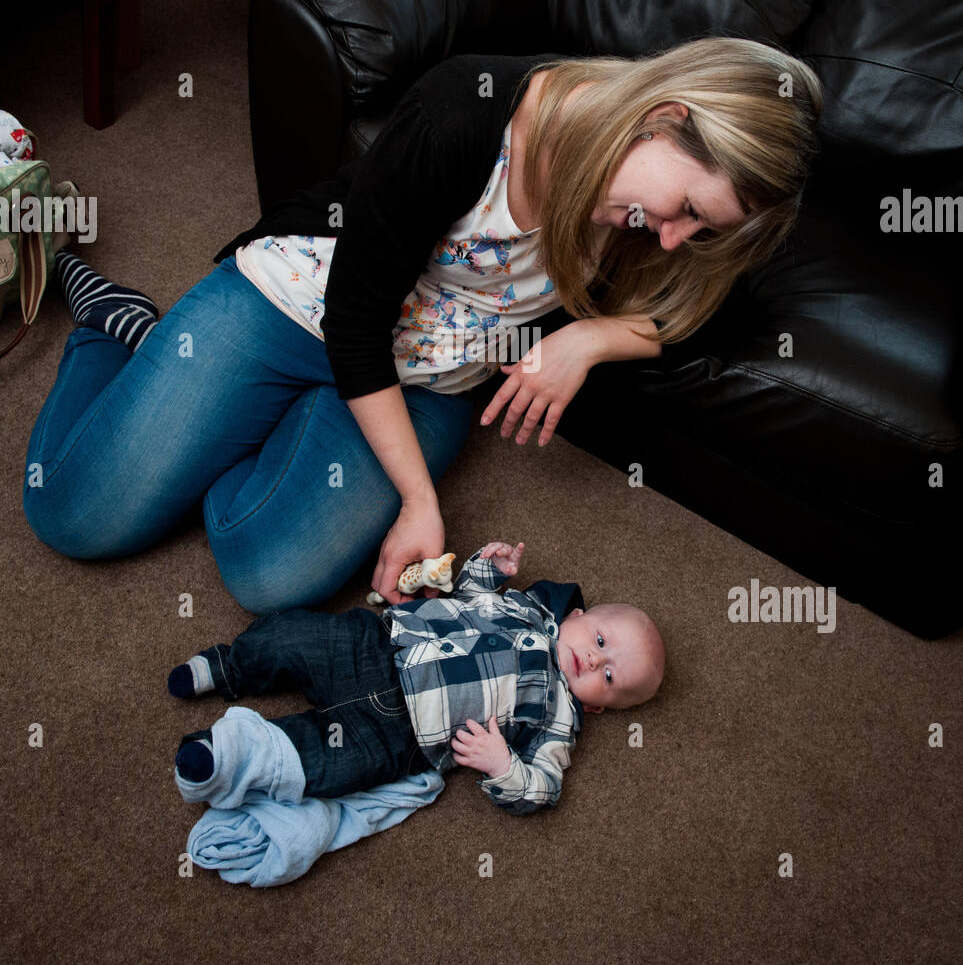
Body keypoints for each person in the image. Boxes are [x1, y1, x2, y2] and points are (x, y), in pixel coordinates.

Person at [22, 39, 822, 612]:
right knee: (76, 517)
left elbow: (715, 313)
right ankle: (113, 327)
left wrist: (590, 337)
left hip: (433, 377)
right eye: (686, 210)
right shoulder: (463, 111)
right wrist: (418, 503)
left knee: (269, 577)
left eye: (701, 230)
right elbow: (357, 321)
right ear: (662, 116)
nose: (675, 238)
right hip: (309, 303)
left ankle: (265, 416)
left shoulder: (657, 214)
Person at [169, 540, 666, 815]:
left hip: (399, 736)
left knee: (323, 766)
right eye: (600, 643)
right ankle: (229, 667)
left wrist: (501, 766)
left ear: (598, 706)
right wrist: (488, 569)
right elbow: (468, 594)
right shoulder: (528, 607)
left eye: (608, 678)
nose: (593, 663)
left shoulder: (560, 718)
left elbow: (543, 789)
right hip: (377, 645)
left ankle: (226, 756)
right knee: (296, 636)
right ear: (577, 615)